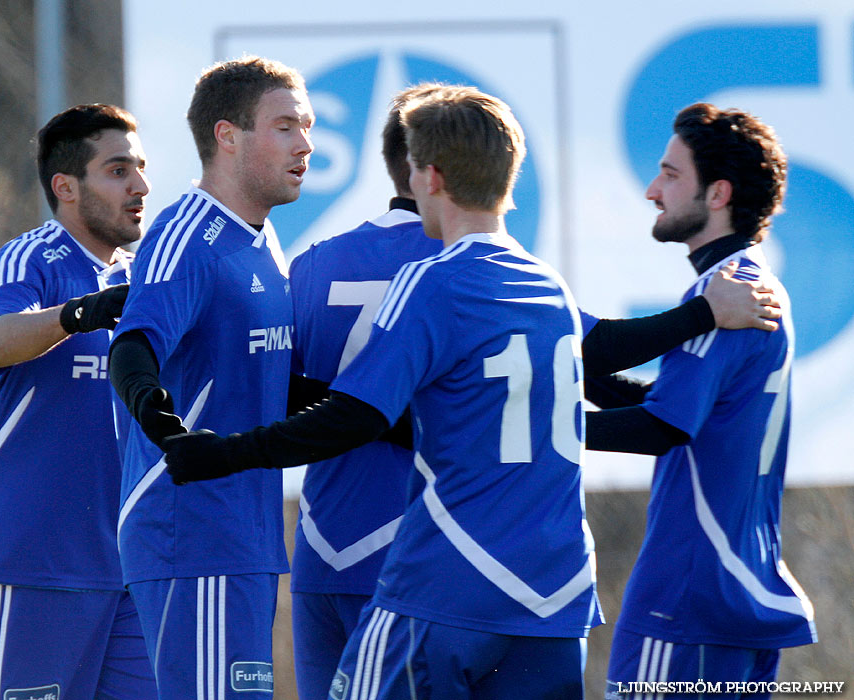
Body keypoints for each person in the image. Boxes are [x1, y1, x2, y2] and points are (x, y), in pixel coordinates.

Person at [285, 87, 783, 700]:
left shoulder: (311, 263)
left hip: (351, 551)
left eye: (668, 175)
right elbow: (589, 365)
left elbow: (282, 393)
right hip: (476, 569)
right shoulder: (502, 271)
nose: (652, 190)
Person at [165, 84, 600, 699]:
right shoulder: (546, 284)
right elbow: (594, 391)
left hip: (442, 580)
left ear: (426, 176)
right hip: (554, 592)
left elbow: (351, 416)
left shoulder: (425, 280)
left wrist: (223, 453)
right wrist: (698, 322)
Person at [585, 104, 817, 698]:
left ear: (717, 193)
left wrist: (533, 423)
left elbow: (662, 427)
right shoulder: (753, 284)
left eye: (669, 174)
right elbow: (678, 408)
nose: (651, 189)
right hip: (734, 593)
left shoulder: (726, 294)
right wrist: (565, 368)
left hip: (687, 600)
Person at [107, 56, 313, 699]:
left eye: (306, 125)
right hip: (190, 535)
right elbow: (132, 347)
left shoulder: (261, 241)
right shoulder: (186, 233)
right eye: (284, 126)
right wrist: (168, 432)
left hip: (247, 541)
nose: (306, 143)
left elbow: (264, 379)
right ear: (228, 136)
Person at [0, 104, 156, 700]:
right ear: (65, 187)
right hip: (28, 564)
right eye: (118, 170)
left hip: (129, 572)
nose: (140, 185)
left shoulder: (146, 275)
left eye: (141, 168)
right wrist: (75, 315)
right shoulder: (30, 258)